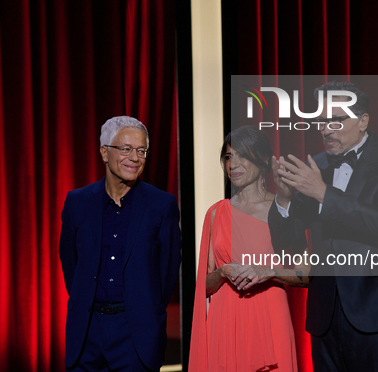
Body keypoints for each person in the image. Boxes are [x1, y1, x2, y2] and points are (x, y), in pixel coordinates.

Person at [269, 81, 378, 371]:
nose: (326, 129)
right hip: (325, 314)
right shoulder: (316, 167)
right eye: (322, 121)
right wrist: (284, 198)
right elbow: (287, 240)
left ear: (363, 121)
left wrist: (323, 193)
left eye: (336, 120)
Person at [59, 116, 181, 371]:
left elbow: (167, 272)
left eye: (141, 151)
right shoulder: (77, 202)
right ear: (104, 152)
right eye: (126, 149)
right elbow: (71, 264)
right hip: (87, 333)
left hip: (136, 335)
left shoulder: (162, 205)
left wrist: (145, 308)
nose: (135, 158)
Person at [189, 126, 308, 372]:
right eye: (229, 157)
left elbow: (306, 274)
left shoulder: (282, 209)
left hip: (269, 312)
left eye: (242, 155)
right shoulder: (215, 213)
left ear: (264, 159)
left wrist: (267, 272)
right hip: (225, 320)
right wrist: (222, 272)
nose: (234, 163)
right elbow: (205, 285)